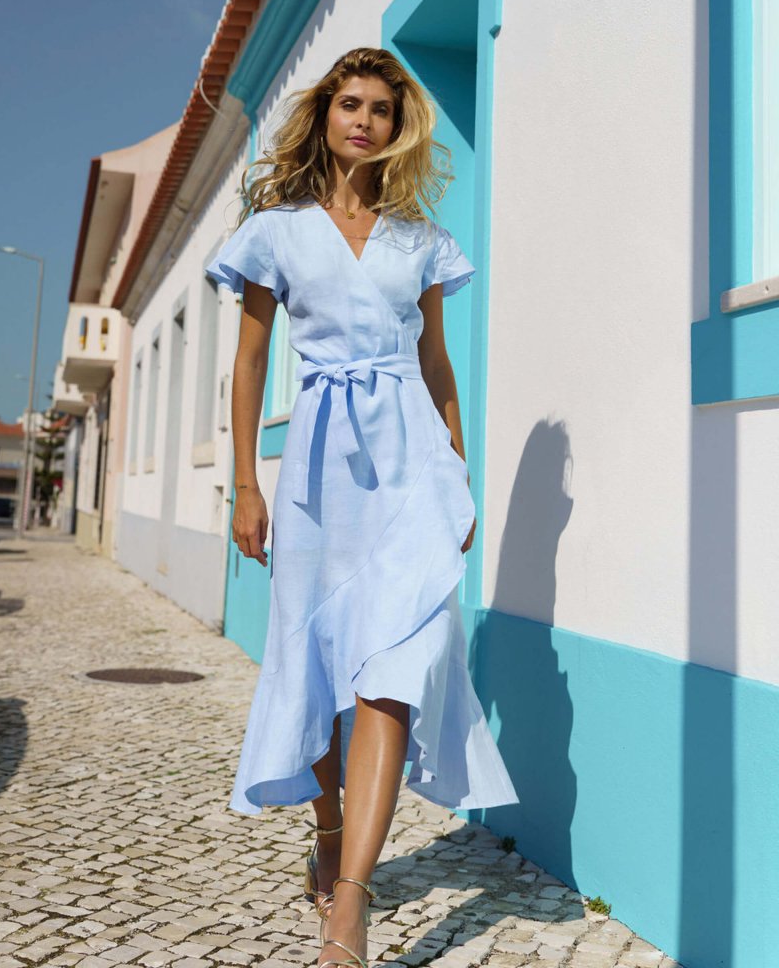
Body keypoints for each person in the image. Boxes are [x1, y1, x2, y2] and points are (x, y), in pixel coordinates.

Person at [206, 48, 518, 968]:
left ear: (396, 127)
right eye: (350, 103)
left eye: (382, 109)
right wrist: (247, 484)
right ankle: (330, 826)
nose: (364, 121)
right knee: (314, 661)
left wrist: (457, 472)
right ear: (326, 114)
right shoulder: (277, 231)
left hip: (410, 465)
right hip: (316, 479)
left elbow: (436, 364)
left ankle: (351, 902)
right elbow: (252, 364)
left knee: (391, 668)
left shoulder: (419, 239)